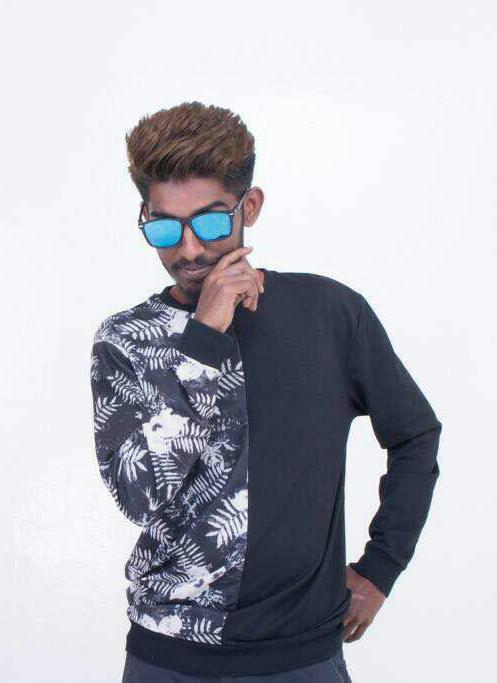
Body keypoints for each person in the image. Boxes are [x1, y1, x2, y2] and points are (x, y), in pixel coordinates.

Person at [90, 101, 442, 682]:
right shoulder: (127, 340)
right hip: (168, 655)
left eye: (209, 223)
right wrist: (204, 337)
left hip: (301, 656)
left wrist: (381, 567)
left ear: (249, 207)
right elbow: (140, 498)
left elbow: (415, 435)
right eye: (164, 227)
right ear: (145, 216)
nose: (188, 250)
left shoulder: (328, 312)